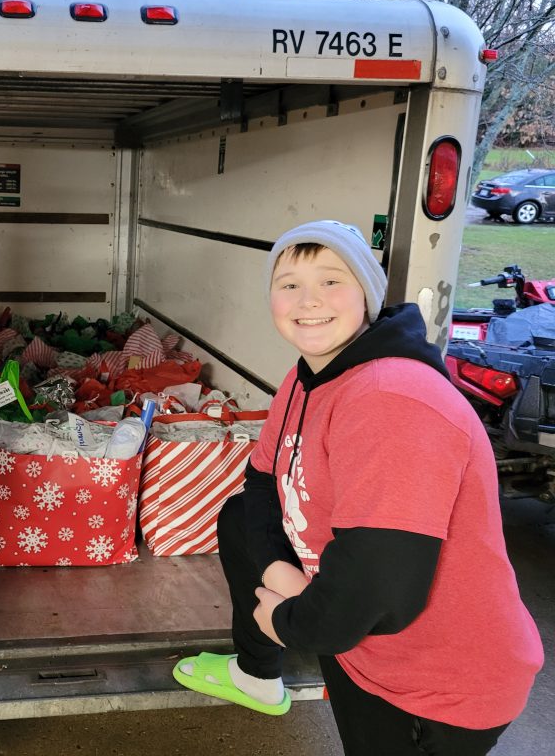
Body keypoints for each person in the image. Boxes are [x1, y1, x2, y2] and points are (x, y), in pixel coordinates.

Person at [173, 220, 543, 754]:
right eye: (289, 284)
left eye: (331, 280)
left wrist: (287, 620)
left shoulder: (392, 399)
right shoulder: (310, 376)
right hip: (359, 639)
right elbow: (259, 483)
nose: (308, 300)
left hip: (437, 683)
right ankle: (258, 673)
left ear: (367, 294)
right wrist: (280, 573)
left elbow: (382, 582)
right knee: (238, 516)